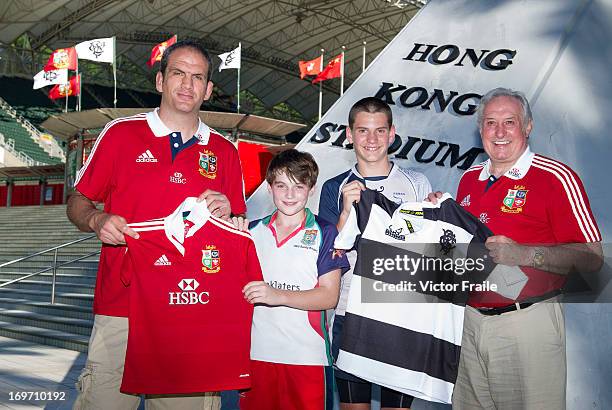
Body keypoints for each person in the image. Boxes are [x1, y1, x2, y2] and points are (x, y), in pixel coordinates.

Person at [66, 40, 246, 410]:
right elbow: (77, 202)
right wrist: (96, 218)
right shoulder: (120, 135)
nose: (187, 84)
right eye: (178, 73)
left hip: (192, 309)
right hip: (122, 306)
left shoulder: (225, 152)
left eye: (198, 78)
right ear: (161, 80)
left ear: (209, 90)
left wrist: (230, 213)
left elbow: (237, 237)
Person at [430, 87, 603, 409]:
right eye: (490, 123)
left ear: (528, 127)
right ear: (479, 129)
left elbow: (593, 258)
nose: (499, 132)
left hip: (527, 324)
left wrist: (525, 254)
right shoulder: (469, 178)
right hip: (469, 322)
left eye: (509, 122)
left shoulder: (555, 177)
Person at [318, 97, 431, 410]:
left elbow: (426, 253)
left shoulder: (416, 184)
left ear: (392, 134)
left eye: (380, 131)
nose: (371, 140)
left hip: (400, 316)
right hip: (349, 314)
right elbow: (328, 257)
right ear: (349, 134)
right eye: (363, 131)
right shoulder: (334, 187)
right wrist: (344, 213)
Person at [241, 149, 350, 410]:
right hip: (257, 355)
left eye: (298, 186)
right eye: (282, 185)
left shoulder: (326, 233)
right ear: (269, 188)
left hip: (307, 358)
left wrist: (276, 295)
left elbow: (329, 296)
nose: (290, 195)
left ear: (311, 189)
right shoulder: (250, 232)